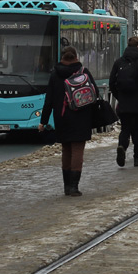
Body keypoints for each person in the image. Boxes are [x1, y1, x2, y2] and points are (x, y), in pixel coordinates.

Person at [39, 46, 97, 196]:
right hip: (81, 117)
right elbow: (95, 93)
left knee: (66, 150)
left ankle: (66, 186)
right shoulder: (83, 72)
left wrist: (43, 121)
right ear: (76, 56)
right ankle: (74, 187)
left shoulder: (55, 74)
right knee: (77, 151)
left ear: (62, 56)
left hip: (62, 117)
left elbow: (49, 100)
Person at [108, 35, 138, 167]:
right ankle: (137, 158)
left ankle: (122, 146)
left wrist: (119, 96)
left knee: (125, 128)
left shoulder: (119, 62)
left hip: (124, 102)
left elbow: (112, 82)